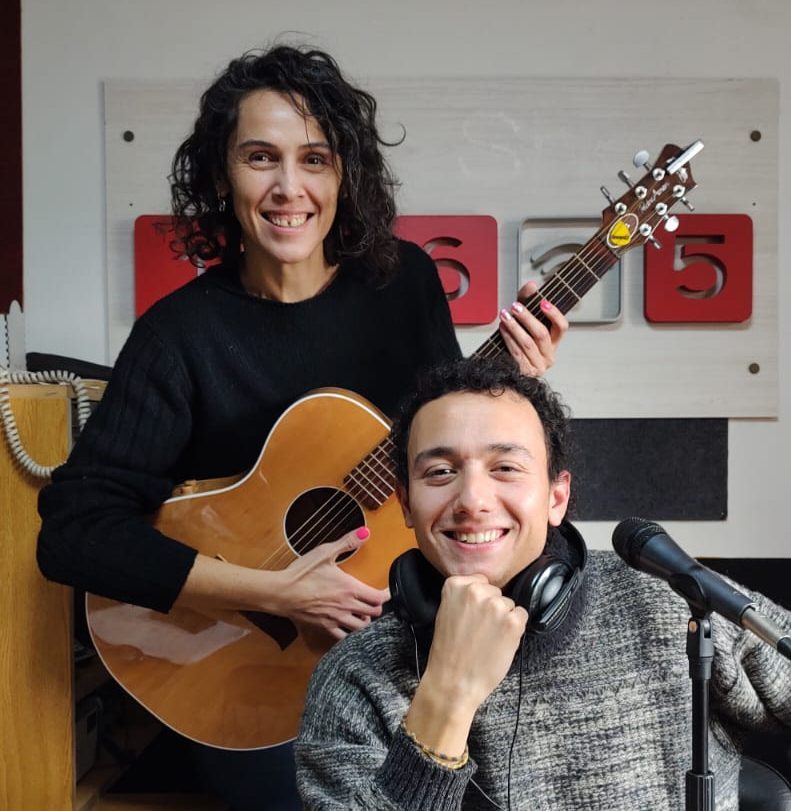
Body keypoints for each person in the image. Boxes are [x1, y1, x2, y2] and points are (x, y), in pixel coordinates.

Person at [36, 46, 568, 810]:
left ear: (344, 174)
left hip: (410, 648)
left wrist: (516, 386)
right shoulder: (178, 335)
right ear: (222, 176)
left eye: (313, 159)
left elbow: (449, 451)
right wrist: (278, 592)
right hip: (246, 680)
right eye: (261, 157)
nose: (289, 188)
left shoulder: (404, 284)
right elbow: (74, 532)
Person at [295, 356, 791, 810]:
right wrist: (446, 701)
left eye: (506, 468)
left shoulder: (670, 602)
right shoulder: (355, 677)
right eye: (440, 472)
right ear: (404, 504)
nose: (473, 499)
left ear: (556, 497)